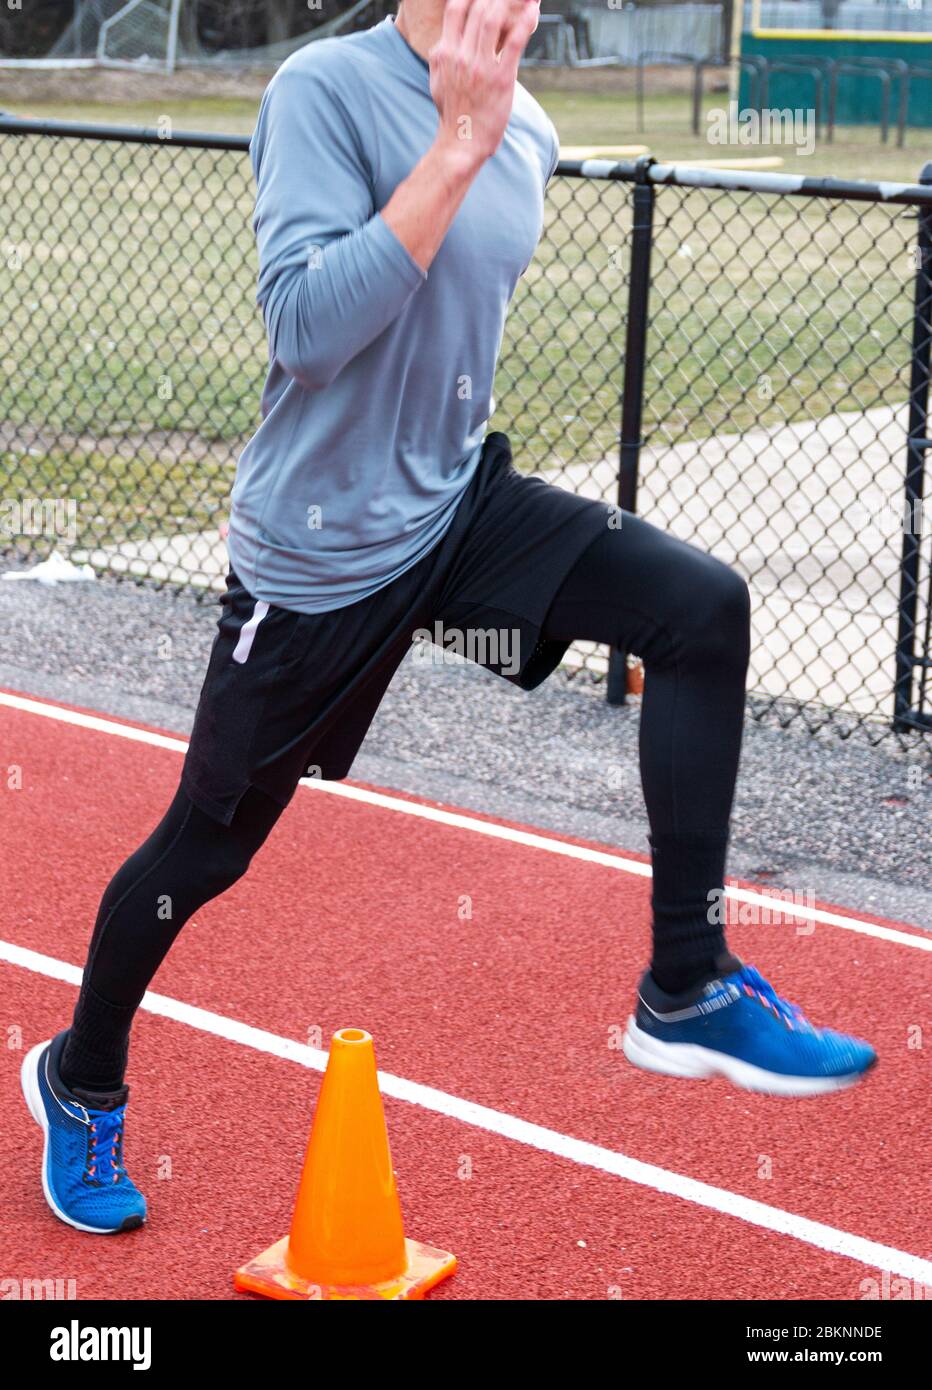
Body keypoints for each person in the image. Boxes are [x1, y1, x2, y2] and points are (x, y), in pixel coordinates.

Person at [21, 0, 875, 1236]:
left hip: (453, 506)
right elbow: (308, 333)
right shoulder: (324, 89)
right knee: (203, 854)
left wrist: (485, 133)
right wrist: (453, 144)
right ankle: (80, 1073)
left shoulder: (525, 122)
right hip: (315, 558)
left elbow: (446, 342)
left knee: (700, 611)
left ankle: (684, 984)